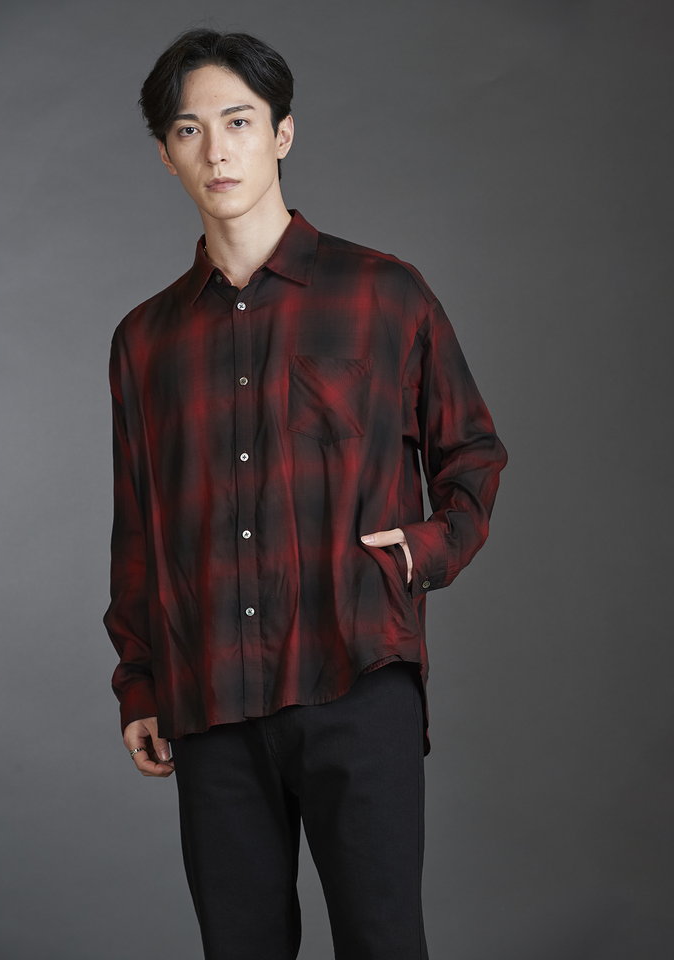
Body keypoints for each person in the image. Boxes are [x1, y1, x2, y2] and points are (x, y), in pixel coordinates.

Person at [103, 26, 508, 960]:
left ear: (281, 133)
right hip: (209, 698)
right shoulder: (145, 340)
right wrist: (140, 682)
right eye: (190, 129)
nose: (217, 149)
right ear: (166, 154)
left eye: (239, 121)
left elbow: (473, 452)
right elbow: (139, 529)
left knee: (382, 943)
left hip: (356, 678)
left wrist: (422, 553)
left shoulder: (385, 295)